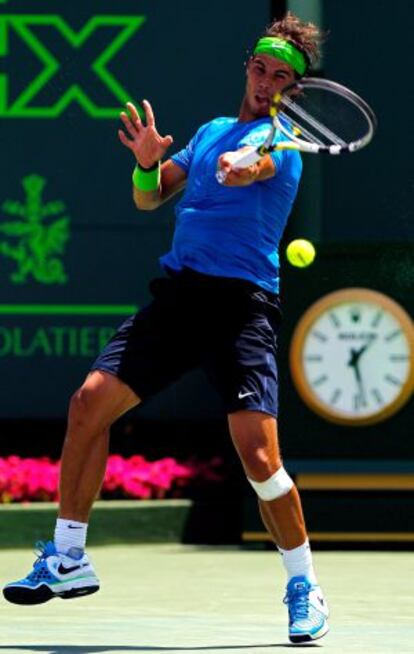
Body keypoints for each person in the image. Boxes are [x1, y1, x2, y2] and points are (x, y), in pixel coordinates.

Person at [3, 12, 329, 645]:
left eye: (281, 77)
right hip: (179, 300)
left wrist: (244, 166)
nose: (266, 82)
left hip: (242, 309)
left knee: (260, 462)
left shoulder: (281, 144)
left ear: (293, 89)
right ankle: (69, 557)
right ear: (247, 67)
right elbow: (150, 198)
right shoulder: (208, 132)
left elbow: (252, 165)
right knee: (87, 405)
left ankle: (304, 584)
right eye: (261, 69)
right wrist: (149, 165)